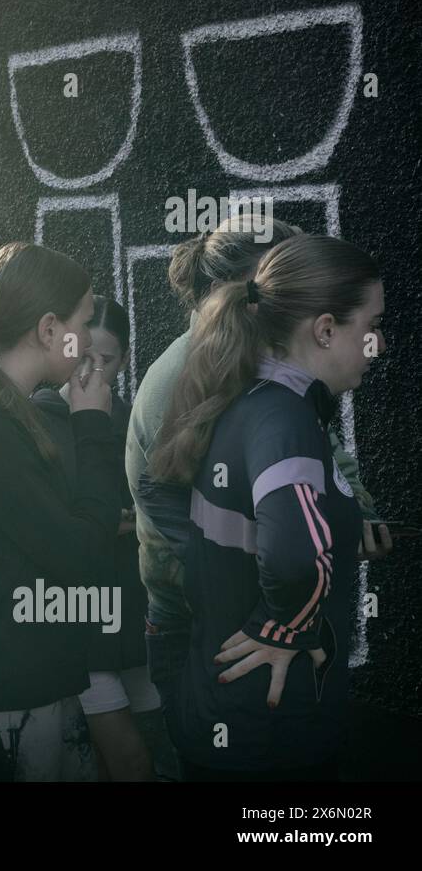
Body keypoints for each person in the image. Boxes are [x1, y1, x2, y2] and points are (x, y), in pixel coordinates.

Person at [125, 218, 381, 729]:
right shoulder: (186, 375)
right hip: (202, 624)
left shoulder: (264, 365)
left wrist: (358, 509)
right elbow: (165, 501)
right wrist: (267, 612)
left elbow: (322, 449)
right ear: (249, 285)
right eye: (284, 275)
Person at [0, 242, 121, 782]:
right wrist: (93, 426)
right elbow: (81, 554)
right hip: (5, 684)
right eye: (83, 323)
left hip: (26, 674)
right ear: (49, 328)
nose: (88, 343)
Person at [32, 296, 156, 781]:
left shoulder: (133, 417)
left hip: (133, 605)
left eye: (106, 360)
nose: (93, 370)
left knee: (133, 752)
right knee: (129, 759)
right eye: (85, 356)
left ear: (123, 360)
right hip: (79, 615)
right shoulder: (41, 416)